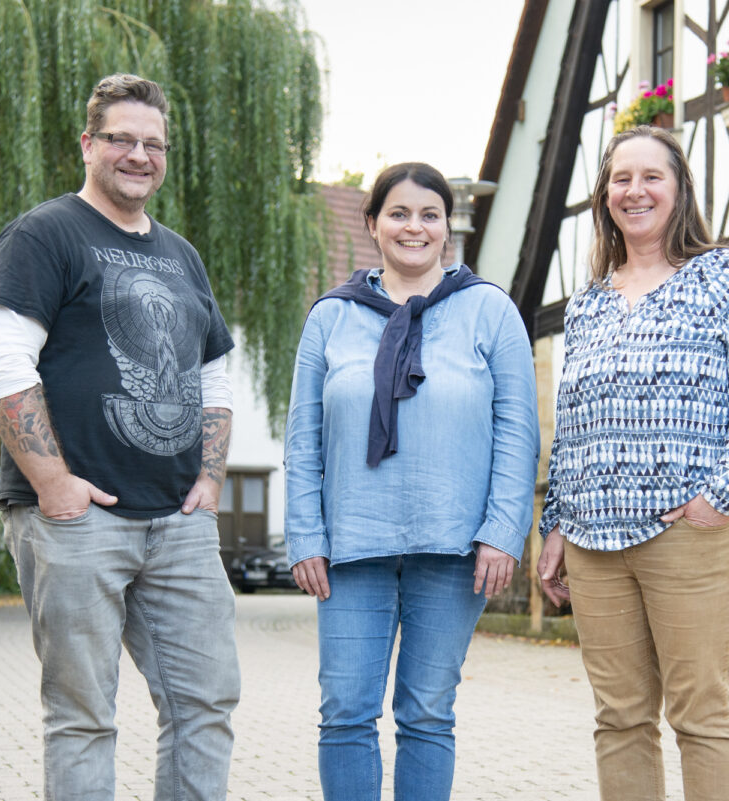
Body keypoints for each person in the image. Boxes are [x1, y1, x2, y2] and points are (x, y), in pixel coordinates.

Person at [0, 74, 240, 801]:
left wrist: (210, 480)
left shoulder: (182, 256)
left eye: (153, 143)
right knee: (84, 714)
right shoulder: (45, 233)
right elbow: (0, 359)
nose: (138, 155)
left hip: (178, 521)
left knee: (205, 703)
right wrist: (53, 482)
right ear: (88, 144)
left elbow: (213, 371)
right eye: (122, 138)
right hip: (76, 518)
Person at [536, 125, 729, 801]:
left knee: (701, 715)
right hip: (593, 540)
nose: (635, 190)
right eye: (621, 178)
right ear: (605, 195)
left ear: (679, 191)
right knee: (619, 718)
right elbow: (571, 425)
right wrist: (555, 525)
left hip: (689, 532)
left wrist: (721, 497)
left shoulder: (723, 275)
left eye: (652, 177)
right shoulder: (587, 302)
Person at [284, 162, 540, 801]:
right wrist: (305, 537)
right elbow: (302, 438)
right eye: (398, 213)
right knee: (345, 711)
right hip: (351, 546)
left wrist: (504, 532)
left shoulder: (489, 310)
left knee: (427, 713)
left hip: (454, 547)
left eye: (430, 214)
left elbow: (518, 430)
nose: (414, 227)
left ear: (446, 229)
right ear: (373, 225)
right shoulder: (330, 318)